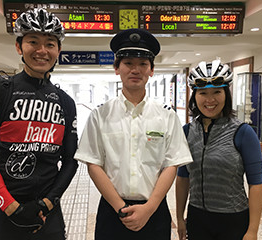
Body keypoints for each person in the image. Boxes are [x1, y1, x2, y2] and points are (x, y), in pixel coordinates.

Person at [74, 28, 193, 240]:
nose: (135, 70)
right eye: (128, 63)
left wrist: (149, 208)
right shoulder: (100, 115)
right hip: (112, 210)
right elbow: (93, 164)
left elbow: (171, 165)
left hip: (154, 210)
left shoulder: (166, 116)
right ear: (116, 68)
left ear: (152, 70)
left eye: (143, 64)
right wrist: (120, 207)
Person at [0, 8, 78, 240]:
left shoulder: (66, 102)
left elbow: (70, 162)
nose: (42, 51)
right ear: (19, 47)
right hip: (3, 213)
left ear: (58, 50)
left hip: (48, 214)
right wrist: (12, 207)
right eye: (33, 42)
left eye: (50, 44)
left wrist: (47, 203)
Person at [176, 59, 262, 240]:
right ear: (195, 96)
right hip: (197, 217)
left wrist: (253, 230)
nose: (210, 99)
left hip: (233, 219)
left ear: (226, 93)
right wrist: (180, 218)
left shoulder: (243, 132)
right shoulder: (187, 131)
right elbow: (183, 177)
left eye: (217, 91)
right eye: (203, 93)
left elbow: (256, 184)